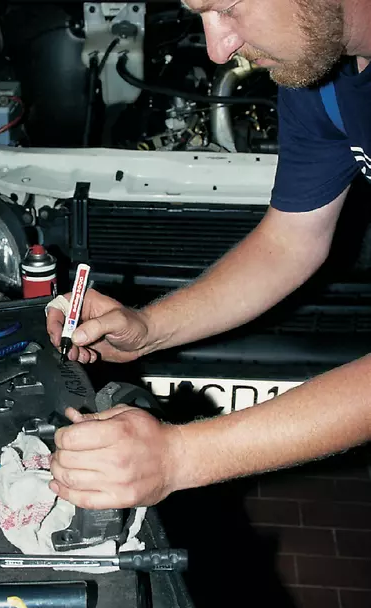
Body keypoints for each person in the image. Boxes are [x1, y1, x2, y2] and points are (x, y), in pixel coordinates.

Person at [46, 0, 371, 510]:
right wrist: (147, 330)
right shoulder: (323, 78)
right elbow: (290, 241)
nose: (220, 50)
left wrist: (180, 457)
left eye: (228, 8)